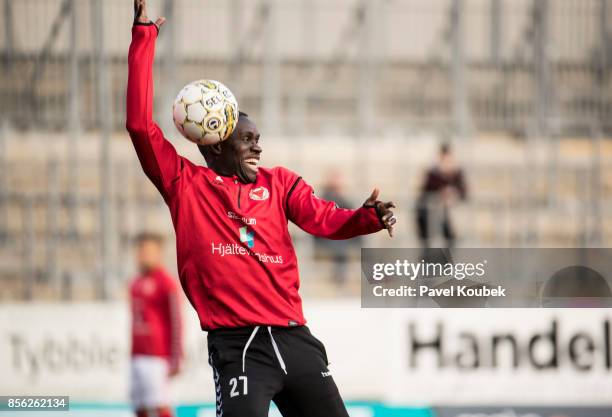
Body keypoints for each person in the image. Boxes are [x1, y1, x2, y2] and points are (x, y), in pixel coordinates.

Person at [126, 2, 396, 416]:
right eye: (248, 138)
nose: (258, 146)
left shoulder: (280, 182)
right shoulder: (185, 184)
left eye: (258, 138)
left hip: (296, 341)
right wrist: (144, 39)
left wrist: (366, 218)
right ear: (216, 144)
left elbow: (322, 218)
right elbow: (140, 127)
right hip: (239, 347)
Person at [129, 232, 183, 417]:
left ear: (158, 253)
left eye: (148, 251)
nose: (143, 255)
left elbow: (177, 321)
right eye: (141, 251)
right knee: (140, 406)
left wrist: (176, 357)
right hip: (137, 355)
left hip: (157, 357)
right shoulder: (135, 283)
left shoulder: (166, 282)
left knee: (160, 406)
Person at [416, 143, 467, 248]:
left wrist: (453, 194)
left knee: (450, 241)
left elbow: (463, 192)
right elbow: (425, 192)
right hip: (431, 213)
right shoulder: (433, 173)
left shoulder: (456, 173)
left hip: (449, 214)